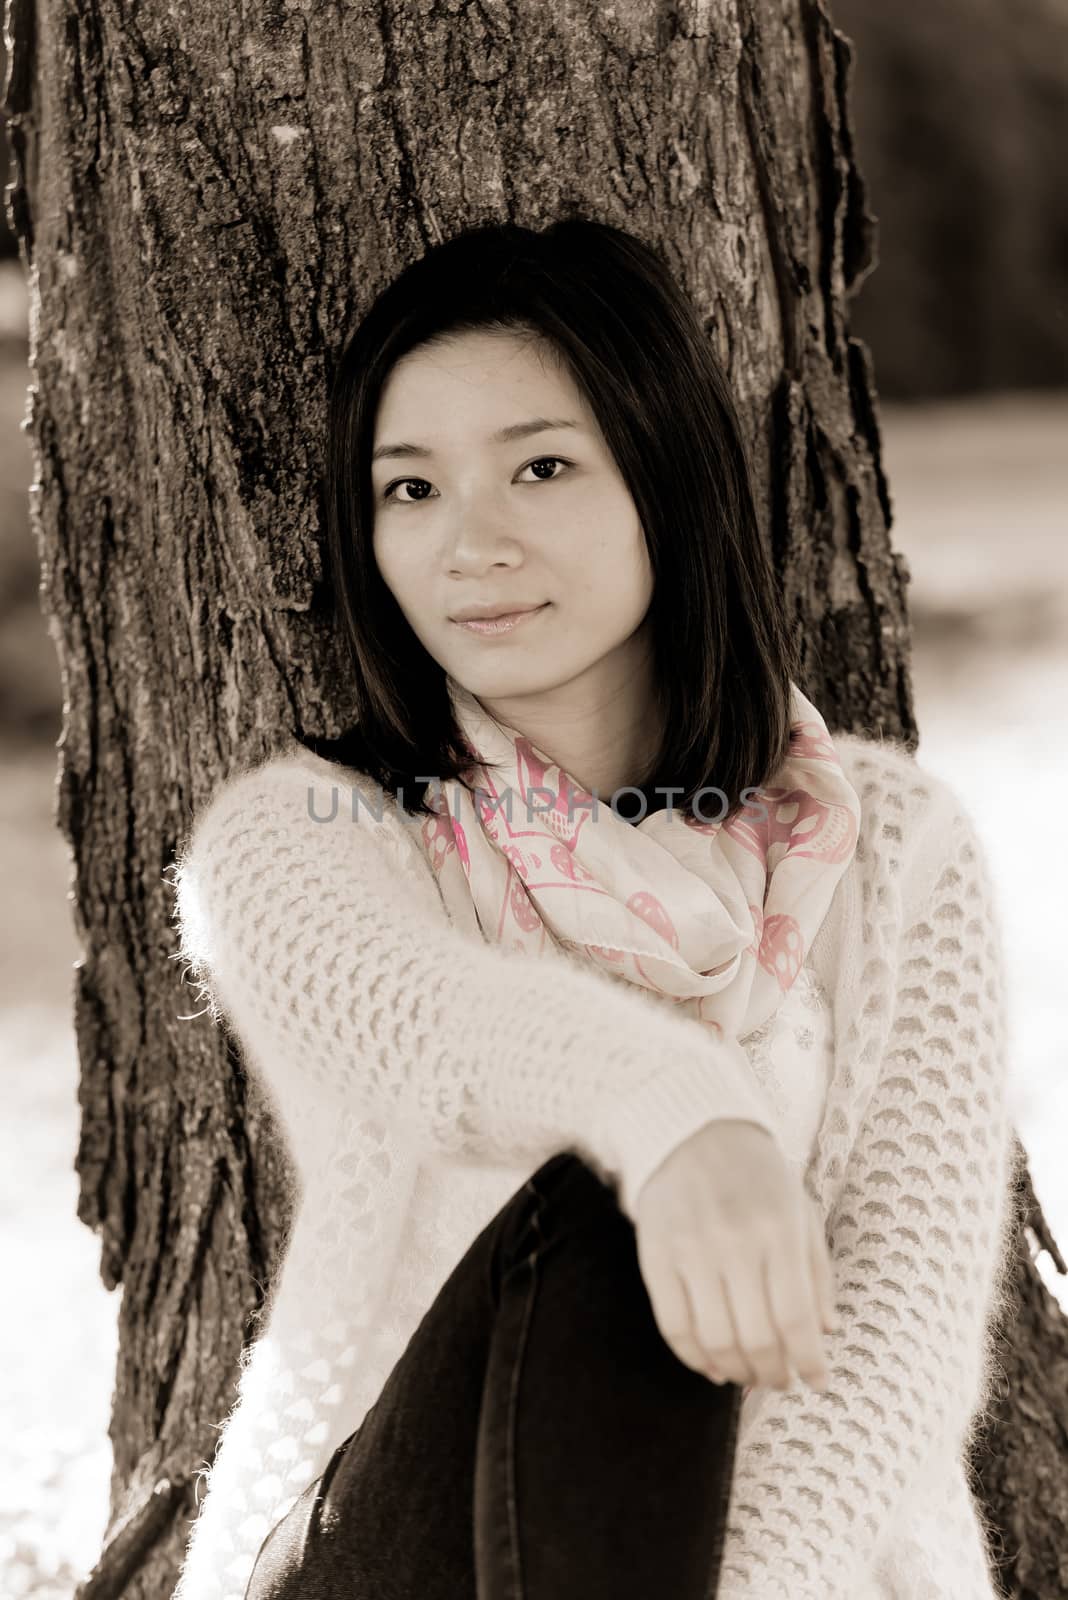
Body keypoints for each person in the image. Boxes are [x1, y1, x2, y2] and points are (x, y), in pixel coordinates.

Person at [167, 218, 1020, 1600]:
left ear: (663, 483)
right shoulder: (307, 839)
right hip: (395, 1556)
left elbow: (894, 1334)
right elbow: (432, 1028)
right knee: (615, 1206)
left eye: (542, 467)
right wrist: (684, 1119)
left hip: (793, 1574)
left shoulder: (894, 849)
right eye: (410, 490)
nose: (471, 544)